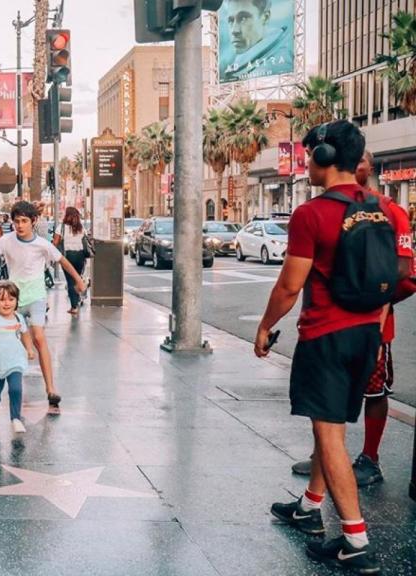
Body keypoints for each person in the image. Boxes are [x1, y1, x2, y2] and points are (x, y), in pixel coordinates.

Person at [256, 121, 411, 574]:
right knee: (334, 431)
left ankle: (356, 541)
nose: (306, 162)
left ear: (324, 157)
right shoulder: (383, 208)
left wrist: (265, 328)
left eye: (309, 154)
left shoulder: (311, 214)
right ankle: (309, 507)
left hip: (325, 336)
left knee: (329, 435)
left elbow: (289, 285)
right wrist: (377, 322)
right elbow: (398, 276)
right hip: (366, 336)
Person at [290, 150, 416, 487]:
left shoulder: (389, 210)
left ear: (369, 168)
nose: (356, 165)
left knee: (374, 392)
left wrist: (378, 308)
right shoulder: (324, 208)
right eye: (352, 159)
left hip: (371, 326)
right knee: (326, 401)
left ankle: (370, 459)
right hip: (327, 325)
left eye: (362, 161)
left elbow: (405, 273)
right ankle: (325, 463)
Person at [0, 201, 86, 409]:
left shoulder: (42, 244)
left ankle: (51, 388)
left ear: (33, 222)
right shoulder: (6, 241)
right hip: (14, 301)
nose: (20, 225)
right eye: (16, 221)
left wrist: (79, 281)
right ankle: (3, 387)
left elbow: (63, 262)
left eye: (24, 221)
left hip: (36, 296)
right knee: (6, 341)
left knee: (38, 336)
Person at [0, 281, 35, 434]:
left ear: (17, 301)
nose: (7, 303)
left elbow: (25, 335)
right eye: (2, 299)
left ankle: (15, 418)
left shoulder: (18, 319)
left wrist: (29, 349)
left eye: (11, 299)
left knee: (16, 389)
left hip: (15, 360)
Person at [220, 0, 294, 82]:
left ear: (265, 17)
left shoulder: (277, 65)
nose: (234, 30)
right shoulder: (239, 62)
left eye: (243, 18)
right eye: (230, 20)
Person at [53, 207, 89, 316]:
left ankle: (74, 306)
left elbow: (55, 242)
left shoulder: (61, 227)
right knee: (78, 278)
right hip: (81, 256)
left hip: (68, 256)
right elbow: (85, 240)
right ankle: (77, 301)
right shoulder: (81, 228)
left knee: (70, 281)